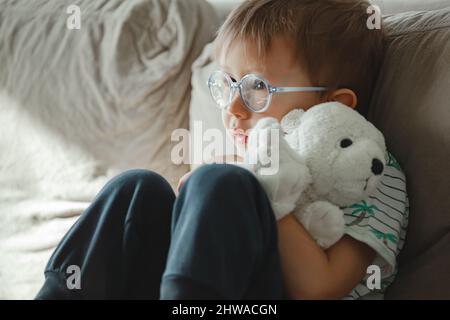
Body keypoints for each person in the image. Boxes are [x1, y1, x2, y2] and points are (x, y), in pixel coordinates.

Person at [36, 0, 408, 300]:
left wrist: (262, 185)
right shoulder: (242, 164)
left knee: (222, 180)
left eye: (257, 88)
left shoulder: (370, 171)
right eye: (228, 84)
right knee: (137, 188)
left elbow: (320, 289)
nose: (233, 108)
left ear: (334, 105)